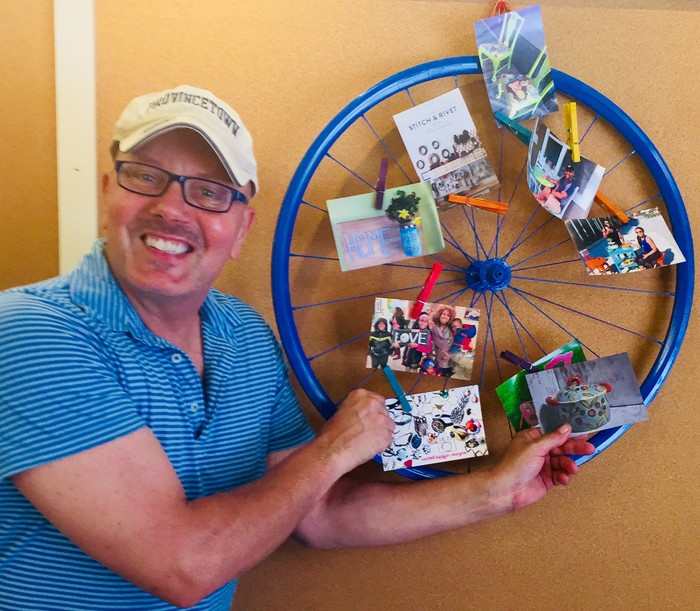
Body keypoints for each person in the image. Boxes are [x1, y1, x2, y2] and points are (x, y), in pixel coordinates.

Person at [0, 85, 594, 609]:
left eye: (208, 192)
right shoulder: (30, 333)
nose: (172, 208)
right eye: (146, 176)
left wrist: (494, 491)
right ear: (108, 192)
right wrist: (335, 447)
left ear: (241, 230)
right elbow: (181, 568)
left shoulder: (245, 336)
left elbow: (320, 515)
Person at [429, 304, 456, 377]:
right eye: (444, 314)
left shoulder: (451, 329)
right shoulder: (432, 326)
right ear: (439, 314)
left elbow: (454, 343)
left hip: (447, 359)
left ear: (450, 318)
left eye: (448, 315)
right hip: (435, 357)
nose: (445, 316)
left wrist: (449, 353)